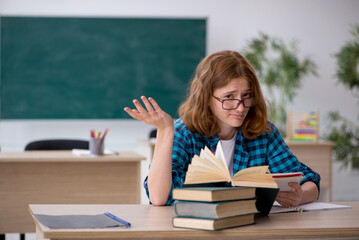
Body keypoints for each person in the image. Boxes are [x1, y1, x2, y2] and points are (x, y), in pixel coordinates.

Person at [124, 50, 320, 207]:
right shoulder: (184, 133)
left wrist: (301, 196)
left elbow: (309, 181)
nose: (241, 107)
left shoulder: (264, 133)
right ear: (206, 98)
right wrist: (166, 131)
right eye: (228, 97)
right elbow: (158, 198)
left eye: (247, 96)